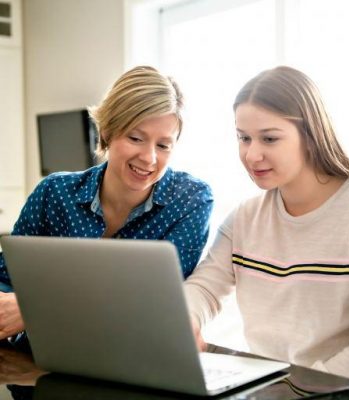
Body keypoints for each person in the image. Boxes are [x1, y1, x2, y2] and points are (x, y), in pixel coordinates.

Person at [185, 66, 349, 399]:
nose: (251, 154)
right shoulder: (245, 217)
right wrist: (186, 316)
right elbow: (204, 288)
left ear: (311, 135)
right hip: (275, 391)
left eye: (269, 138)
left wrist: (303, 390)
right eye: (243, 137)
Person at [0, 65, 213, 340]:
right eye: (136, 138)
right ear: (107, 131)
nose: (149, 158)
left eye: (163, 146)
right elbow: (8, 275)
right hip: (40, 358)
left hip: (133, 359)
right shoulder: (54, 193)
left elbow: (155, 299)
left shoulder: (190, 200)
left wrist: (36, 308)